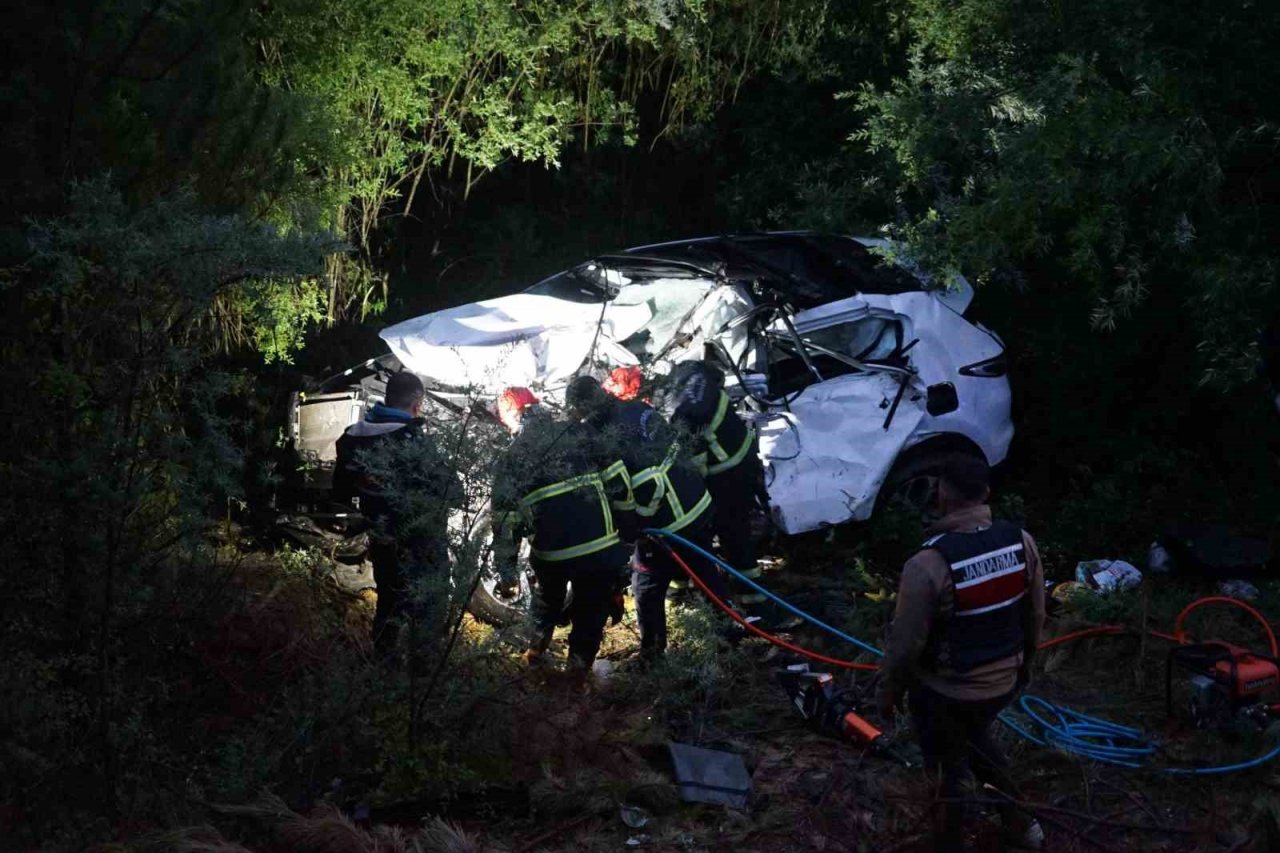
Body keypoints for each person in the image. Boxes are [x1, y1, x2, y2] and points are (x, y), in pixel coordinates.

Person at [875, 455, 1045, 852]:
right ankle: (1021, 824)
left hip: (948, 691)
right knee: (973, 736)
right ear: (986, 493)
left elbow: (905, 646)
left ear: (941, 493)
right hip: (1003, 682)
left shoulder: (928, 564)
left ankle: (949, 840)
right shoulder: (1022, 542)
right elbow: (1035, 614)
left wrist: (887, 693)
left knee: (947, 767)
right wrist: (1025, 667)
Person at [567, 374, 729, 659]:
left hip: (671, 519)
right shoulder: (635, 408)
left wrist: (635, 531)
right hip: (698, 500)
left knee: (646, 585)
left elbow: (650, 484)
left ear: (584, 409)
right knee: (703, 569)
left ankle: (652, 655)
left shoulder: (613, 435)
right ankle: (727, 633)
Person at [491, 387, 632, 675]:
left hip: (551, 553)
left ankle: (534, 655)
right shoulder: (579, 432)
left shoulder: (511, 458)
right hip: (599, 547)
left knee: (545, 601)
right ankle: (577, 680)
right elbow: (619, 480)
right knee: (590, 613)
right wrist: (626, 534)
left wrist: (506, 574)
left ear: (510, 418)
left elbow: (505, 522)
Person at [334, 371, 452, 661]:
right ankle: (422, 672)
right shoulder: (412, 441)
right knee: (429, 602)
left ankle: (383, 664)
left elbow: (341, 489)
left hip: (382, 535)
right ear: (418, 404)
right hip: (420, 540)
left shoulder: (351, 438)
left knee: (389, 598)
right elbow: (450, 489)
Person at [660, 360, 770, 617]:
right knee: (734, 528)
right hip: (742, 455)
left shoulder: (687, 416)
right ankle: (686, 587)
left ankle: (752, 599)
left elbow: (695, 465)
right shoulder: (703, 380)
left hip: (726, 473)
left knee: (732, 533)